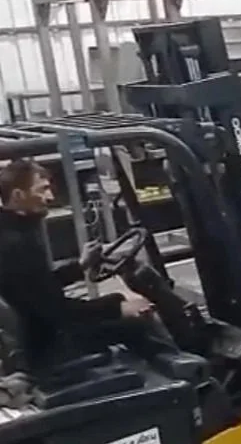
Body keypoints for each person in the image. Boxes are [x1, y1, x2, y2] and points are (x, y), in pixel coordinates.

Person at [0, 159, 154, 371]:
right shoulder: (16, 245)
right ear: (18, 195)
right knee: (138, 323)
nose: (50, 197)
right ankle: (185, 381)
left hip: (40, 333)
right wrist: (116, 308)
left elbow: (40, 287)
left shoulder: (12, 234)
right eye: (43, 190)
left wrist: (81, 265)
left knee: (120, 302)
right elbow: (57, 311)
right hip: (51, 343)